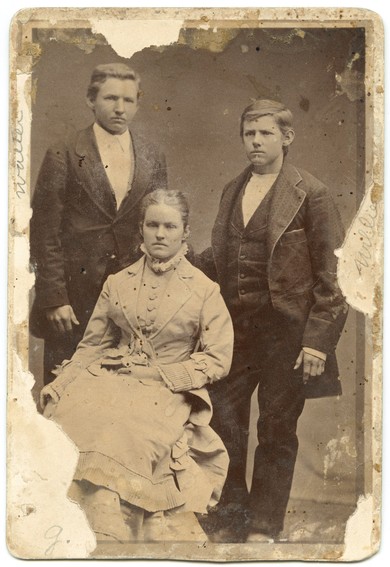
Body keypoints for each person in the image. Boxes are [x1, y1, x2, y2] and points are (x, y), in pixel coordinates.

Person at [40, 189, 234, 543]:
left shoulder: (205, 290)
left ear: (185, 232)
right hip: (113, 377)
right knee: (69, 414)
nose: (161, 234)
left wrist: (172, 376)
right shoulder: (118, 282)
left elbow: (219, 357)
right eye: (153, 225)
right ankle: (69, 527)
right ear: (141, 229)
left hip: (167, 388)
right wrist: (62, 382)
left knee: (124, 427)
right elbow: (93, 346)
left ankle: (111, 529)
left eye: (170, 226)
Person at [196, 99, 349, 543]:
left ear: (287, 137)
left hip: (288, 332)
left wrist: (318, 342)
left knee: (277, 426)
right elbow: (222, 259)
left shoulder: (311, 193)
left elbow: (333, 276)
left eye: (265, 133)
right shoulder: (232, 189)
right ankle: (231, 513)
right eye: (249, 134)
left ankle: (264, 524)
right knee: (223, 418)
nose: (256, 142)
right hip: (236, 329)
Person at [30, 63, 167, 385]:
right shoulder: (63, 151)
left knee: (123, 393)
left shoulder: (152, 155)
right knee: (64, 390)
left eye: (129, 100)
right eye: (110, 98)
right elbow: (43, 232)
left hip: (132, 295)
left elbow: (160, 222)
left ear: (137, 103)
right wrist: (54, 298)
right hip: (73, 299)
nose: (120, 109)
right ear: (91, 100)